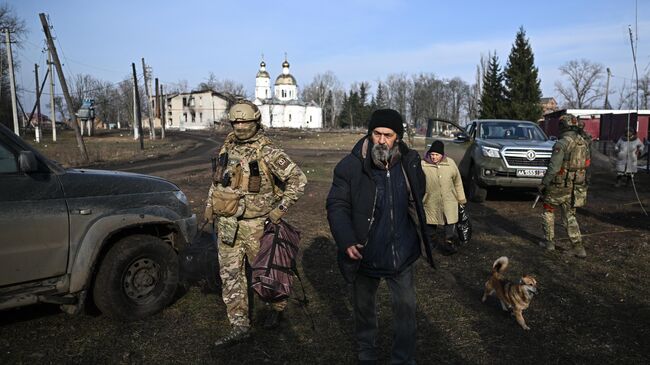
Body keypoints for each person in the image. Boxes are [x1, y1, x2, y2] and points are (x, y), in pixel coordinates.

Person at [326, 109, 435, 364]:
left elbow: (418, 196)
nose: (382, 140)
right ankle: (367, 355)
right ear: (369, 133)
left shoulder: (410, 162)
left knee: (406, 312)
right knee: (365, 311)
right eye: (377, 133)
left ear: (398, 137)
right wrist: (347, 240)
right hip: (365, 254)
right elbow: (337, 205)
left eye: (388, 134)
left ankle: (403, 358)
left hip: (402, 253)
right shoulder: (350, 166)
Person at [205, 100, 307, 347]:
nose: (240, 126)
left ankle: (276, 308)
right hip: (228, 225)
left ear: (256, 121)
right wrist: (209, 205)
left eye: (245, 121)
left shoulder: (268, 151)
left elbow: (298, 180)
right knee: (230, 275)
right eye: (236, 122)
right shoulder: (226, 148)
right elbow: (218, 182)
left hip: (257, 226)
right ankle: (239, 325)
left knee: (266, 274)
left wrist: (278, 211)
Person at [538, 113, 590, 258]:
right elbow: (587, 164)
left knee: (548, 210)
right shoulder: (583, 142)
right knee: (570, 215)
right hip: (576, 186)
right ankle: (578, 247)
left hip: (558, 186)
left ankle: (549, 242)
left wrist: (544, 183)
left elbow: (554, 168)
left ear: (562, 127)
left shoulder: (561, 144)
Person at [421, 140, 467, 255]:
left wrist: (461, 198)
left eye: (436, 155)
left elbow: (457, 182)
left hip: (449, 200)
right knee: (430, 224)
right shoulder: (423, 164)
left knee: (450, 224)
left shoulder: (450, 163)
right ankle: (430, 245)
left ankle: (448, 245)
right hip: (430, 200)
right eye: (432, 154)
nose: (434, 157)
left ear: (442, 154)